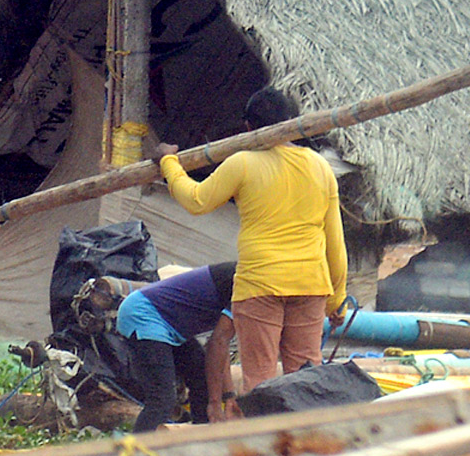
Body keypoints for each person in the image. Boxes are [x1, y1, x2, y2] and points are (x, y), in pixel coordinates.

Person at [156, 87, 347, 394]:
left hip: (260, 285)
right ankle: (303, 441)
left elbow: (196, 201)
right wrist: (337, 299)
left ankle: (266, 441)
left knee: (261, 383)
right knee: (307, 382)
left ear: (247, 128)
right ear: (290, 123)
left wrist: (169, 163)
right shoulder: (320, 167)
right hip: (311, 285)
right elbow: (335, 242)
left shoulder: (242, 163)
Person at [116, 263, 238, 432]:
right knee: (162, 399)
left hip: (171, 325)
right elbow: (218, 343)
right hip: (144, 314)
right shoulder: (248, 284)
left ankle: (199, 441)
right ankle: (135, 454)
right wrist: (218, 402)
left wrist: (228, 396)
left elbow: (220, 346)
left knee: (203, 379)